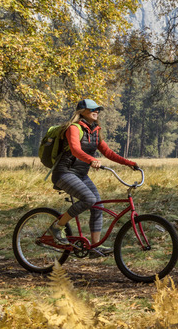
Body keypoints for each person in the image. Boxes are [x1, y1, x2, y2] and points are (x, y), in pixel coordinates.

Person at [46, 99, 139, 258]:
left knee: (97, 204)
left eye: (97, 109)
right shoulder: (73, 128)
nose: (96, 111)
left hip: (81, 174)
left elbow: (108, 153)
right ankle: (57, 227)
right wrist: (91, 160)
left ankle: (95, 248)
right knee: (89, 199)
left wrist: (129, 163)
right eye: (92, 109)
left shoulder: (95, 131)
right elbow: (75, 150)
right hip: (64, 173)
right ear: (81, 111)